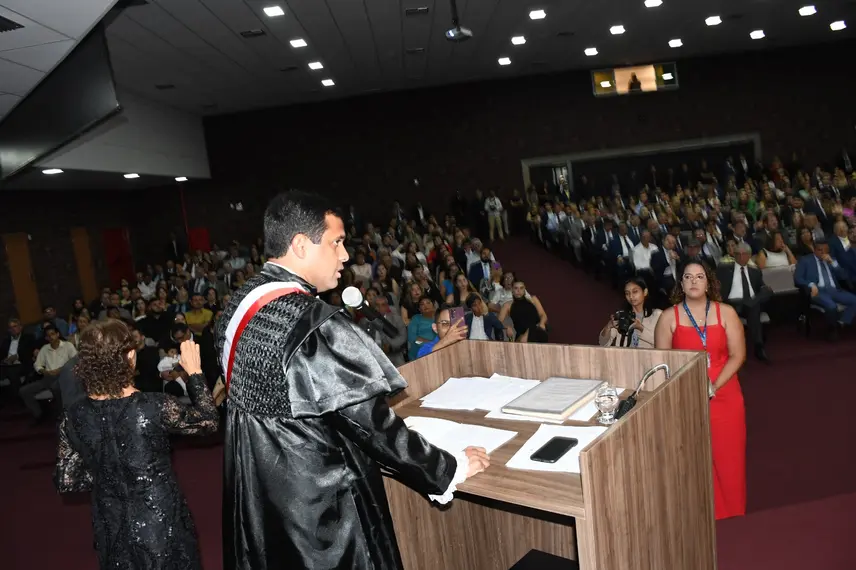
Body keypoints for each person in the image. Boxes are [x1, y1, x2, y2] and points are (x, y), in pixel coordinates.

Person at [216, 191, 490, 570]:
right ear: (300, 245)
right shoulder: (312, 324)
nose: (345, 256)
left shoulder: (237, 308)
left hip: (260, 495)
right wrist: (447, 467)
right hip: (320, 511)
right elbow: (372, 426)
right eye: (337, 243)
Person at [54, 322, 218, 570]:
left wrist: (107, 471)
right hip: (160, 520)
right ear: (130, 355)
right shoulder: (154, 405)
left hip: (111, 523)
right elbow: (208, 421)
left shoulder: (73, 416)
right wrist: (194, 372)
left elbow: (67, 480)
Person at [654, 261, 747, 520]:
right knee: (693, 456)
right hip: (686, 392)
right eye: (688, 277)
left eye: (699, 276)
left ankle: (733, 512)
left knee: (729, 454)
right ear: (681, 284)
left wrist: (714, 386)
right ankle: (700, 513)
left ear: (709, 282)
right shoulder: (668, 317)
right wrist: (687, 388)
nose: (694, 281)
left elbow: (738, 355)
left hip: (725, 390)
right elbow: (662, 362)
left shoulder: (726, 312)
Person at [598, 277, 662, 348]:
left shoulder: (657, 315)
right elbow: (603, 343)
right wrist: (608, 326)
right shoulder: (622, 315)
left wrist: (640, 328)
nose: (631, 296)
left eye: (635, 291)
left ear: (645, 292)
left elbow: (661, 343)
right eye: (627, 293)